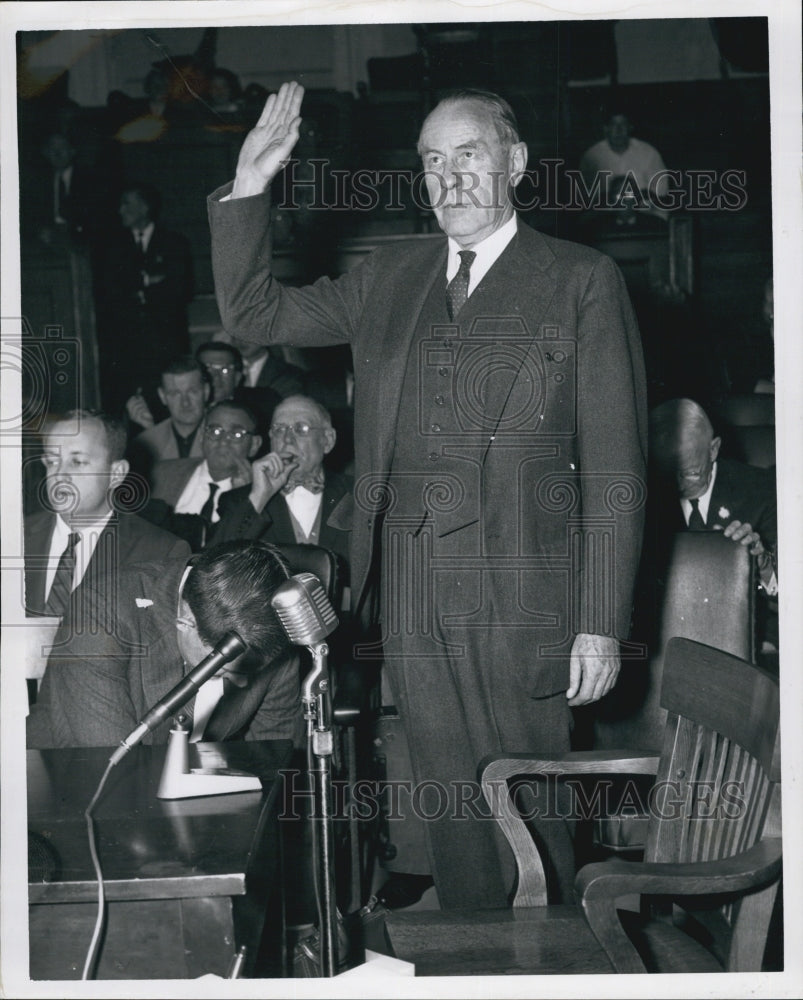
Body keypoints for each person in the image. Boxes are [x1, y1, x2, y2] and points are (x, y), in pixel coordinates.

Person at [208, 82, 647, 908]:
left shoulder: (579, 280)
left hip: (525, 595)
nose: (447, 178)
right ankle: (477, 961)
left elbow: (618, 467)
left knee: (528, 811)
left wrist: (598, 621)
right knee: (449, 808)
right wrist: (249, 185)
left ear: (513, 164)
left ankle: (550, 966)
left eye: (467, 155)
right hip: (407, 586)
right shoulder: (392, 275)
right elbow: (254, 313)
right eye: (432, 162)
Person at [26, 539, 304, 750]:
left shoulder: (273, 631)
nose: (242, 684)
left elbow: (272, 756)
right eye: (223, 671)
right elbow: (110, 767)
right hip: (77, 789)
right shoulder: (100, 611)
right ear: (184, 623)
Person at [24, 409, 190, 618]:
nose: (59, 475)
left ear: (116, 474)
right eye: (52, 462)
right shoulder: (15, 539)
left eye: (77, 462)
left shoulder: (161, 554)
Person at [647, 397, 778, 650]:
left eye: (690, 472)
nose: (678, 485)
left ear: (714, 449)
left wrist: (762, 565)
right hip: (670, 639)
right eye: (667, 471)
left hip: (754, 639)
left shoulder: (762, 492)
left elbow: (786, 592)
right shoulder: (644, 499)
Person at [213, 394, 353, 573]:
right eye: (279, 429)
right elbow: (213, 567)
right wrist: (258, 498)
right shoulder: (240, 501)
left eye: (301, 429)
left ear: (328, 440)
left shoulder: (356, 494)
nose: (287, 439)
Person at [95, 182, 193, 413]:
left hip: (165, 340)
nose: (120, 210)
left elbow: (182, 289)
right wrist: (150, 281)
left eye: (126, 204)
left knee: (164, 402)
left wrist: (136, 285)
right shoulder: (110, 247)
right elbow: (108, 290)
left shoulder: (174, 242)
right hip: (125, 343)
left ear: (145, 207)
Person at [149, 400, 262, 529]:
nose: (223, 441)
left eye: (236, 434)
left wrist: (243, 498)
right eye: (215, 431)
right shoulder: (159, 475)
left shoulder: (259, 497)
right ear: (202, 436)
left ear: (254, 444)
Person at [579, 111, 669, 217]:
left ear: (630, 128)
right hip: (606, 216)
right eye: (613, 125)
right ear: (606, 128)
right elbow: (583, 195)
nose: (618, 130)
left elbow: (662, 191)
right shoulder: (592, 155)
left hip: (644, 214)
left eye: (623, 125)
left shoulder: (649, 153)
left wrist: (636, 202)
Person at [126, 356, 209, 466]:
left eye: (192, 391)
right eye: (175, 394)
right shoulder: (146, 444)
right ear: (162, 396)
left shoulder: (225, 437)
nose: (185, 402)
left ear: (206, 391)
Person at [195, 340, 280, 434]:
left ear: (237, 377)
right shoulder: (184, 406)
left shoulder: (261, 406)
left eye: (224, 370)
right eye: (208, 368)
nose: (215, 376)